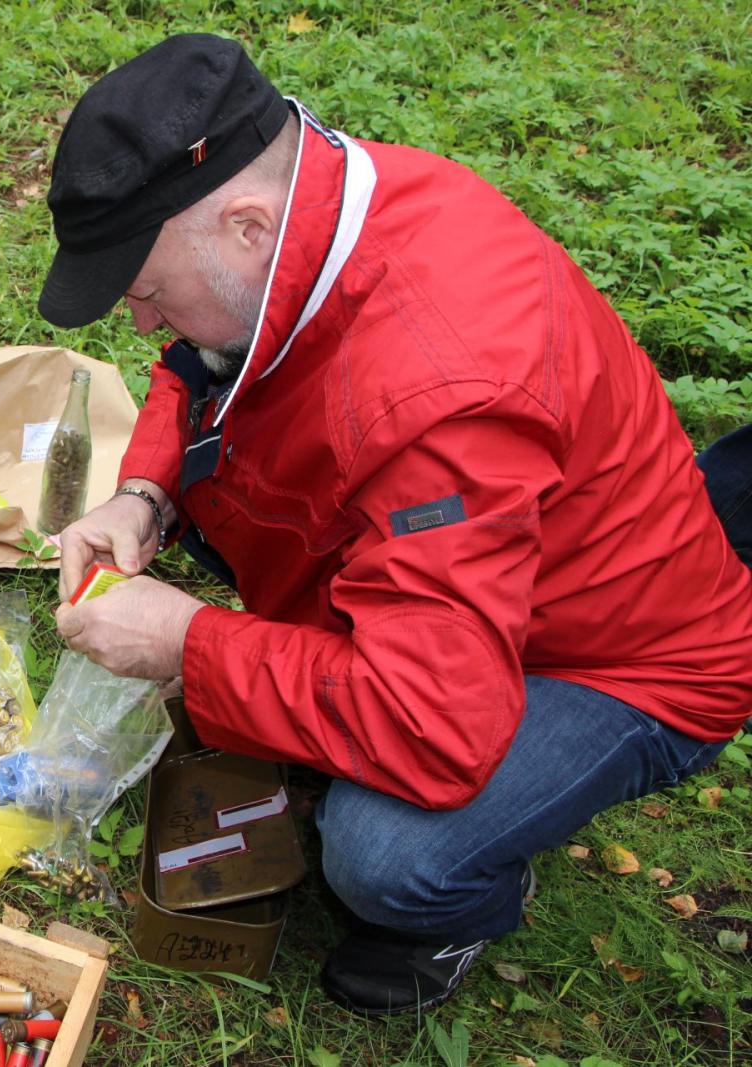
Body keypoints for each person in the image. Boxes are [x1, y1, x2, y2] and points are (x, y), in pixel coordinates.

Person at [39, 33, 752, 1014]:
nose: (135, 315)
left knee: (384, 853)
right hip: (471, 581)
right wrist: (145, 491)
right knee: (232, 504)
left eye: (147, 286)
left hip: (619, 655)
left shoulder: (441, 403)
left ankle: (462, 903)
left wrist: (190, 640)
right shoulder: (313, 212)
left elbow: (435, 723)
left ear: (244, 226)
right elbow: (202, 366)